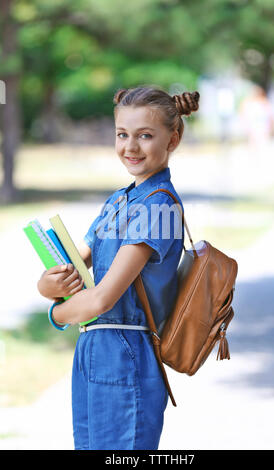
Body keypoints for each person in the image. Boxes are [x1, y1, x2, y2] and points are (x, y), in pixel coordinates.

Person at [37, 86, 200, 450]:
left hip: (127, 351)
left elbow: (99, 301)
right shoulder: (118, 201)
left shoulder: (158, 207)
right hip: (93, 349)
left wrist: (55, 311)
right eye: (122, 134)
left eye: (145, 135)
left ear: (173, 138)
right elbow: (74, 265)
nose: (131, 147)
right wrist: (47, 285)